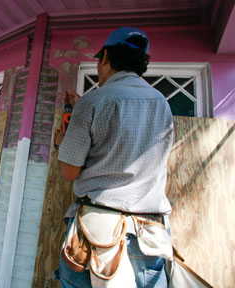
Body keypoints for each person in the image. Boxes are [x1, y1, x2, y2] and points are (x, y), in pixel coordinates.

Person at [55, 27, 174, 287]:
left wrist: (63, 144)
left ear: (105, 57)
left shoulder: (93, 101)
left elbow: (68, 172)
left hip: (96, 236)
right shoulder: (161, 102)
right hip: (150, 237)